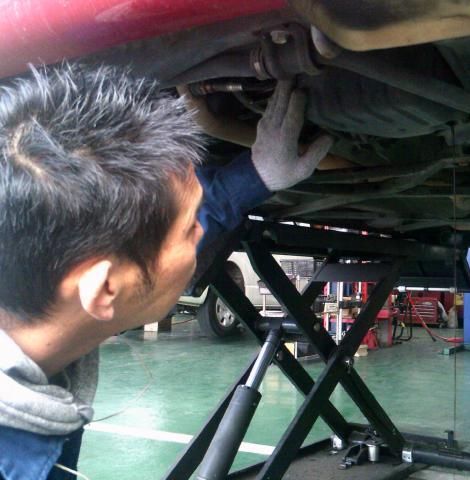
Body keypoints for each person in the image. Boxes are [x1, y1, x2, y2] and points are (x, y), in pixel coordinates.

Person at [0, 64, 333, 479]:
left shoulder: (45, 293)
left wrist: (255, 175)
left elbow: (165, 221)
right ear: (104, 289)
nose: (202, 232)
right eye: (191, 229)